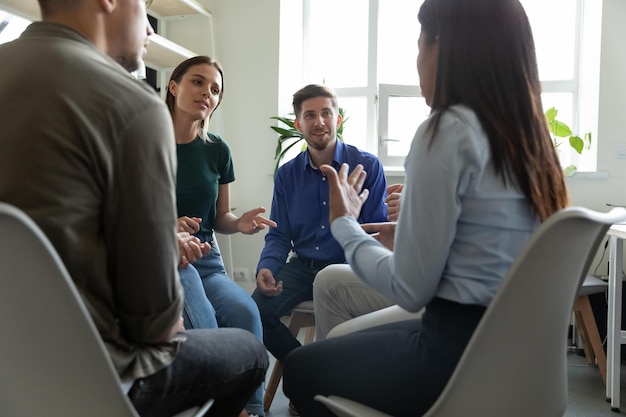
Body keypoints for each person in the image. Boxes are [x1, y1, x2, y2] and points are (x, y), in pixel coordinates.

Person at [282, 0, 569, 415]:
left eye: (420, 44)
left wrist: (344, 223)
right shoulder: (530, 141)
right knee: (343, 341)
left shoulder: (446, 130)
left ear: (444, 47)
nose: (418, 62)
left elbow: (411, 288)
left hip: (453, 356)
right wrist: (410, 235)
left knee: (299, 369)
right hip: (517, 350)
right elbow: (488, 252)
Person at [0, 1, 268, 416]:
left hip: (12, 361)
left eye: (215, 89)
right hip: (98, 372)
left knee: (239, 310)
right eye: (144, 6)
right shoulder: (132, 105)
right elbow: (155, 325)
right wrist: (165, 248)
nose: (147, 28)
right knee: (249, 353)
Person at [165, 55, 276, 417]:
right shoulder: (142, 141)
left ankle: (253, 410)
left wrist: (238, 223)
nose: (207, 93)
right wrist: (168, 227)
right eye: (198, 82)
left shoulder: (217, 149)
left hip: (207, 260)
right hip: (166, 259)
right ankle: (227, 409)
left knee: (246, 311)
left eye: (215, 89)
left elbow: (220, 217)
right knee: (211, 332)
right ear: (173, 86)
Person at [251, 84, 389, 364]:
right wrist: (267, 266)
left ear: (338, 119)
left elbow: (376, 231)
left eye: (326, 113)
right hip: (304, 267)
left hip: (351, 269)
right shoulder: (287, 174)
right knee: (256, 311)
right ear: (298, 124)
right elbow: (279, 235)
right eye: (310, 115)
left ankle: (318, 376)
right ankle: (308, 368)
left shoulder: (368, 166)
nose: (320, 121)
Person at [312, 183, 402, 340]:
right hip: (428, 279)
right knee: (328, 279)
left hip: (443, 300)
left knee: (329, 284)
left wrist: (343, 224)